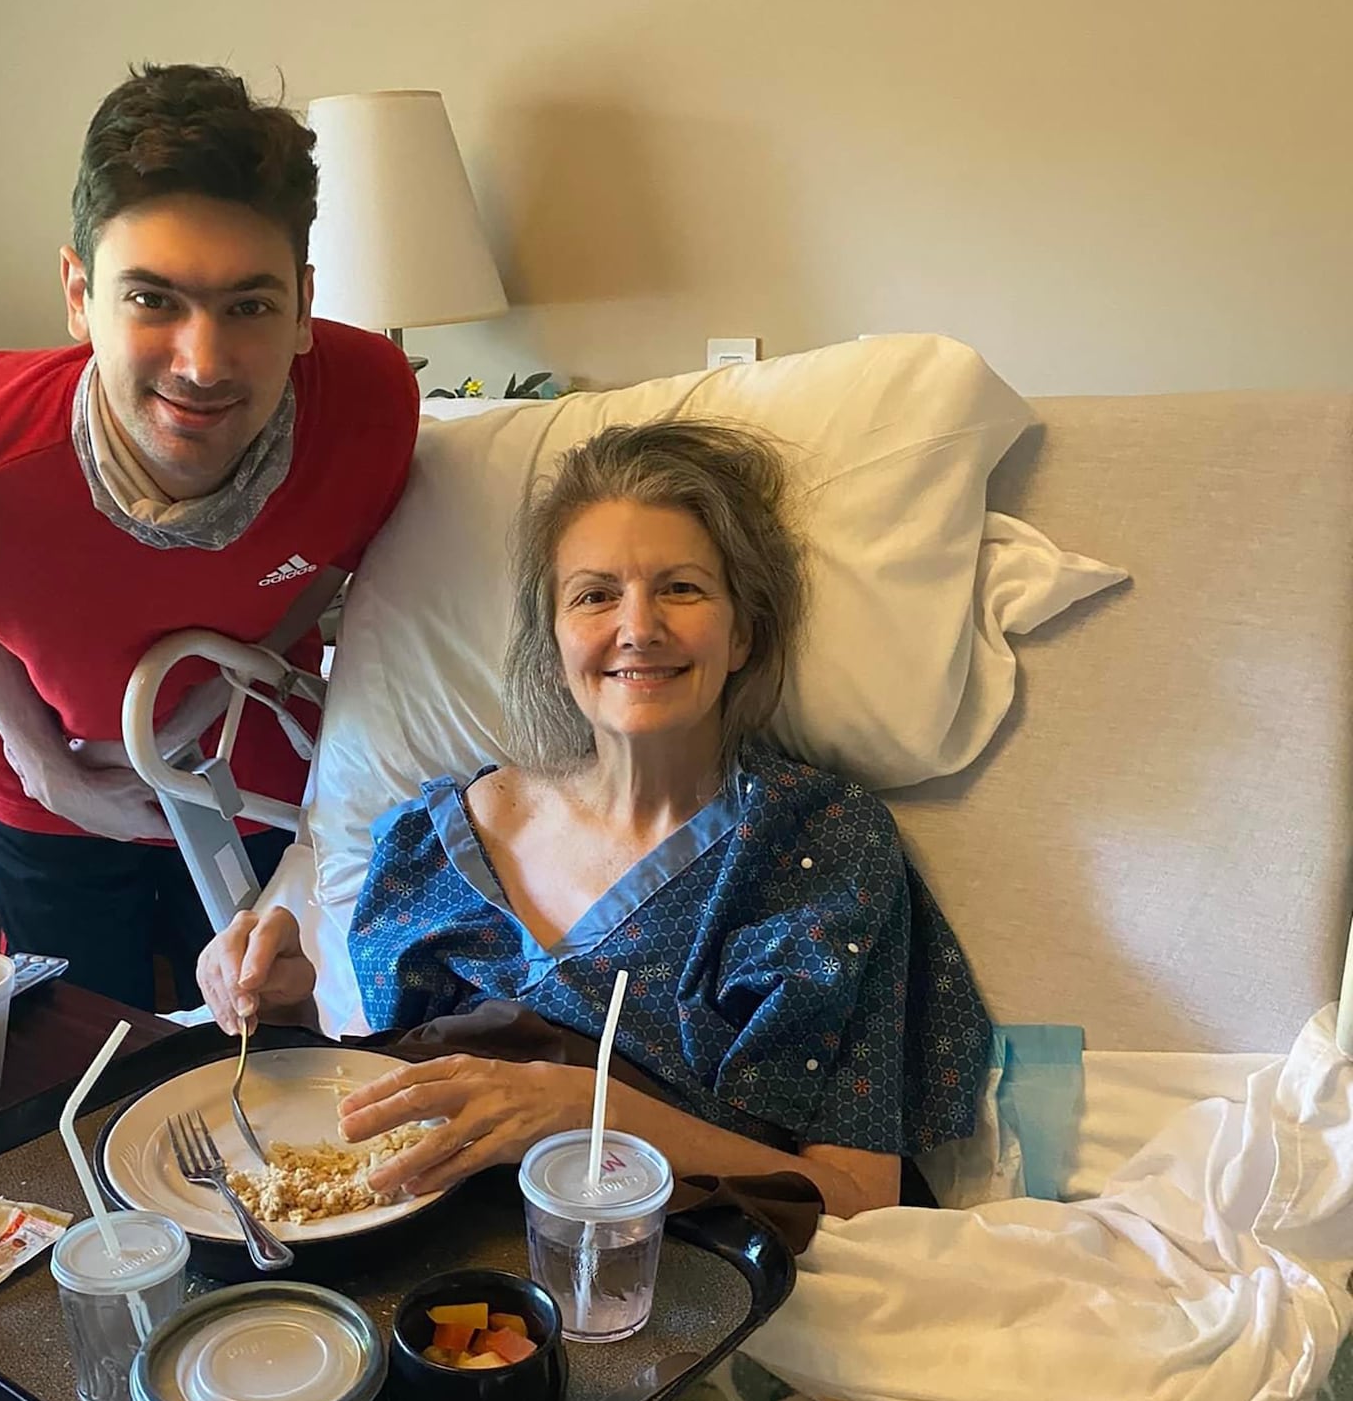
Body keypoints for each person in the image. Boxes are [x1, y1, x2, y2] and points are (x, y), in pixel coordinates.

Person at [198, 422, 989, 1218]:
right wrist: (287, 1010)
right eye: (596, 594)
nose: (638, 628)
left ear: (743, 630)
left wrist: (591, 1114)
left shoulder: (815, 849)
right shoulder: (433, 842)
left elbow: (857, 1200)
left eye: (681, 587)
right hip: (433, 1279)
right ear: (556, 637)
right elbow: (382, 1117)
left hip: (655, 1288)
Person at [0, 64, 418, 1009]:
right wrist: (50, 767)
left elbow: (326, 564)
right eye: (152, 299)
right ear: (79, 294)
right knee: (83, 1056)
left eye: (249, 305)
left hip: (250, 778)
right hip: (52, 788)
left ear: (303, 307)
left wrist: (197, 714)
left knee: (266, 1047)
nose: (202, 364)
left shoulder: (369, 403)